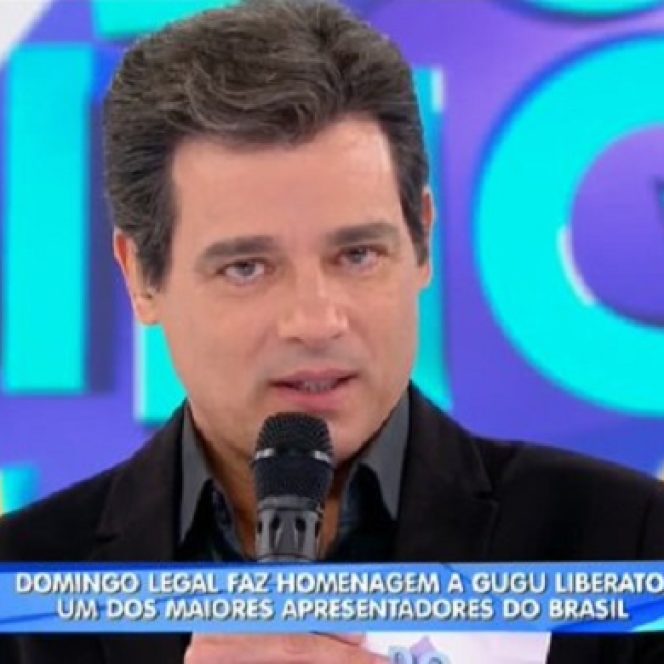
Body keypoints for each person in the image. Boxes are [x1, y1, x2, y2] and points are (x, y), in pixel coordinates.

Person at [1, 0, 663, 662]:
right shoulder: (20, 587)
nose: (316, 322)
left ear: (421, 241)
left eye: (357, 255)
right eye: (246, 267)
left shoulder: (629, 543)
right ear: (142, 276)